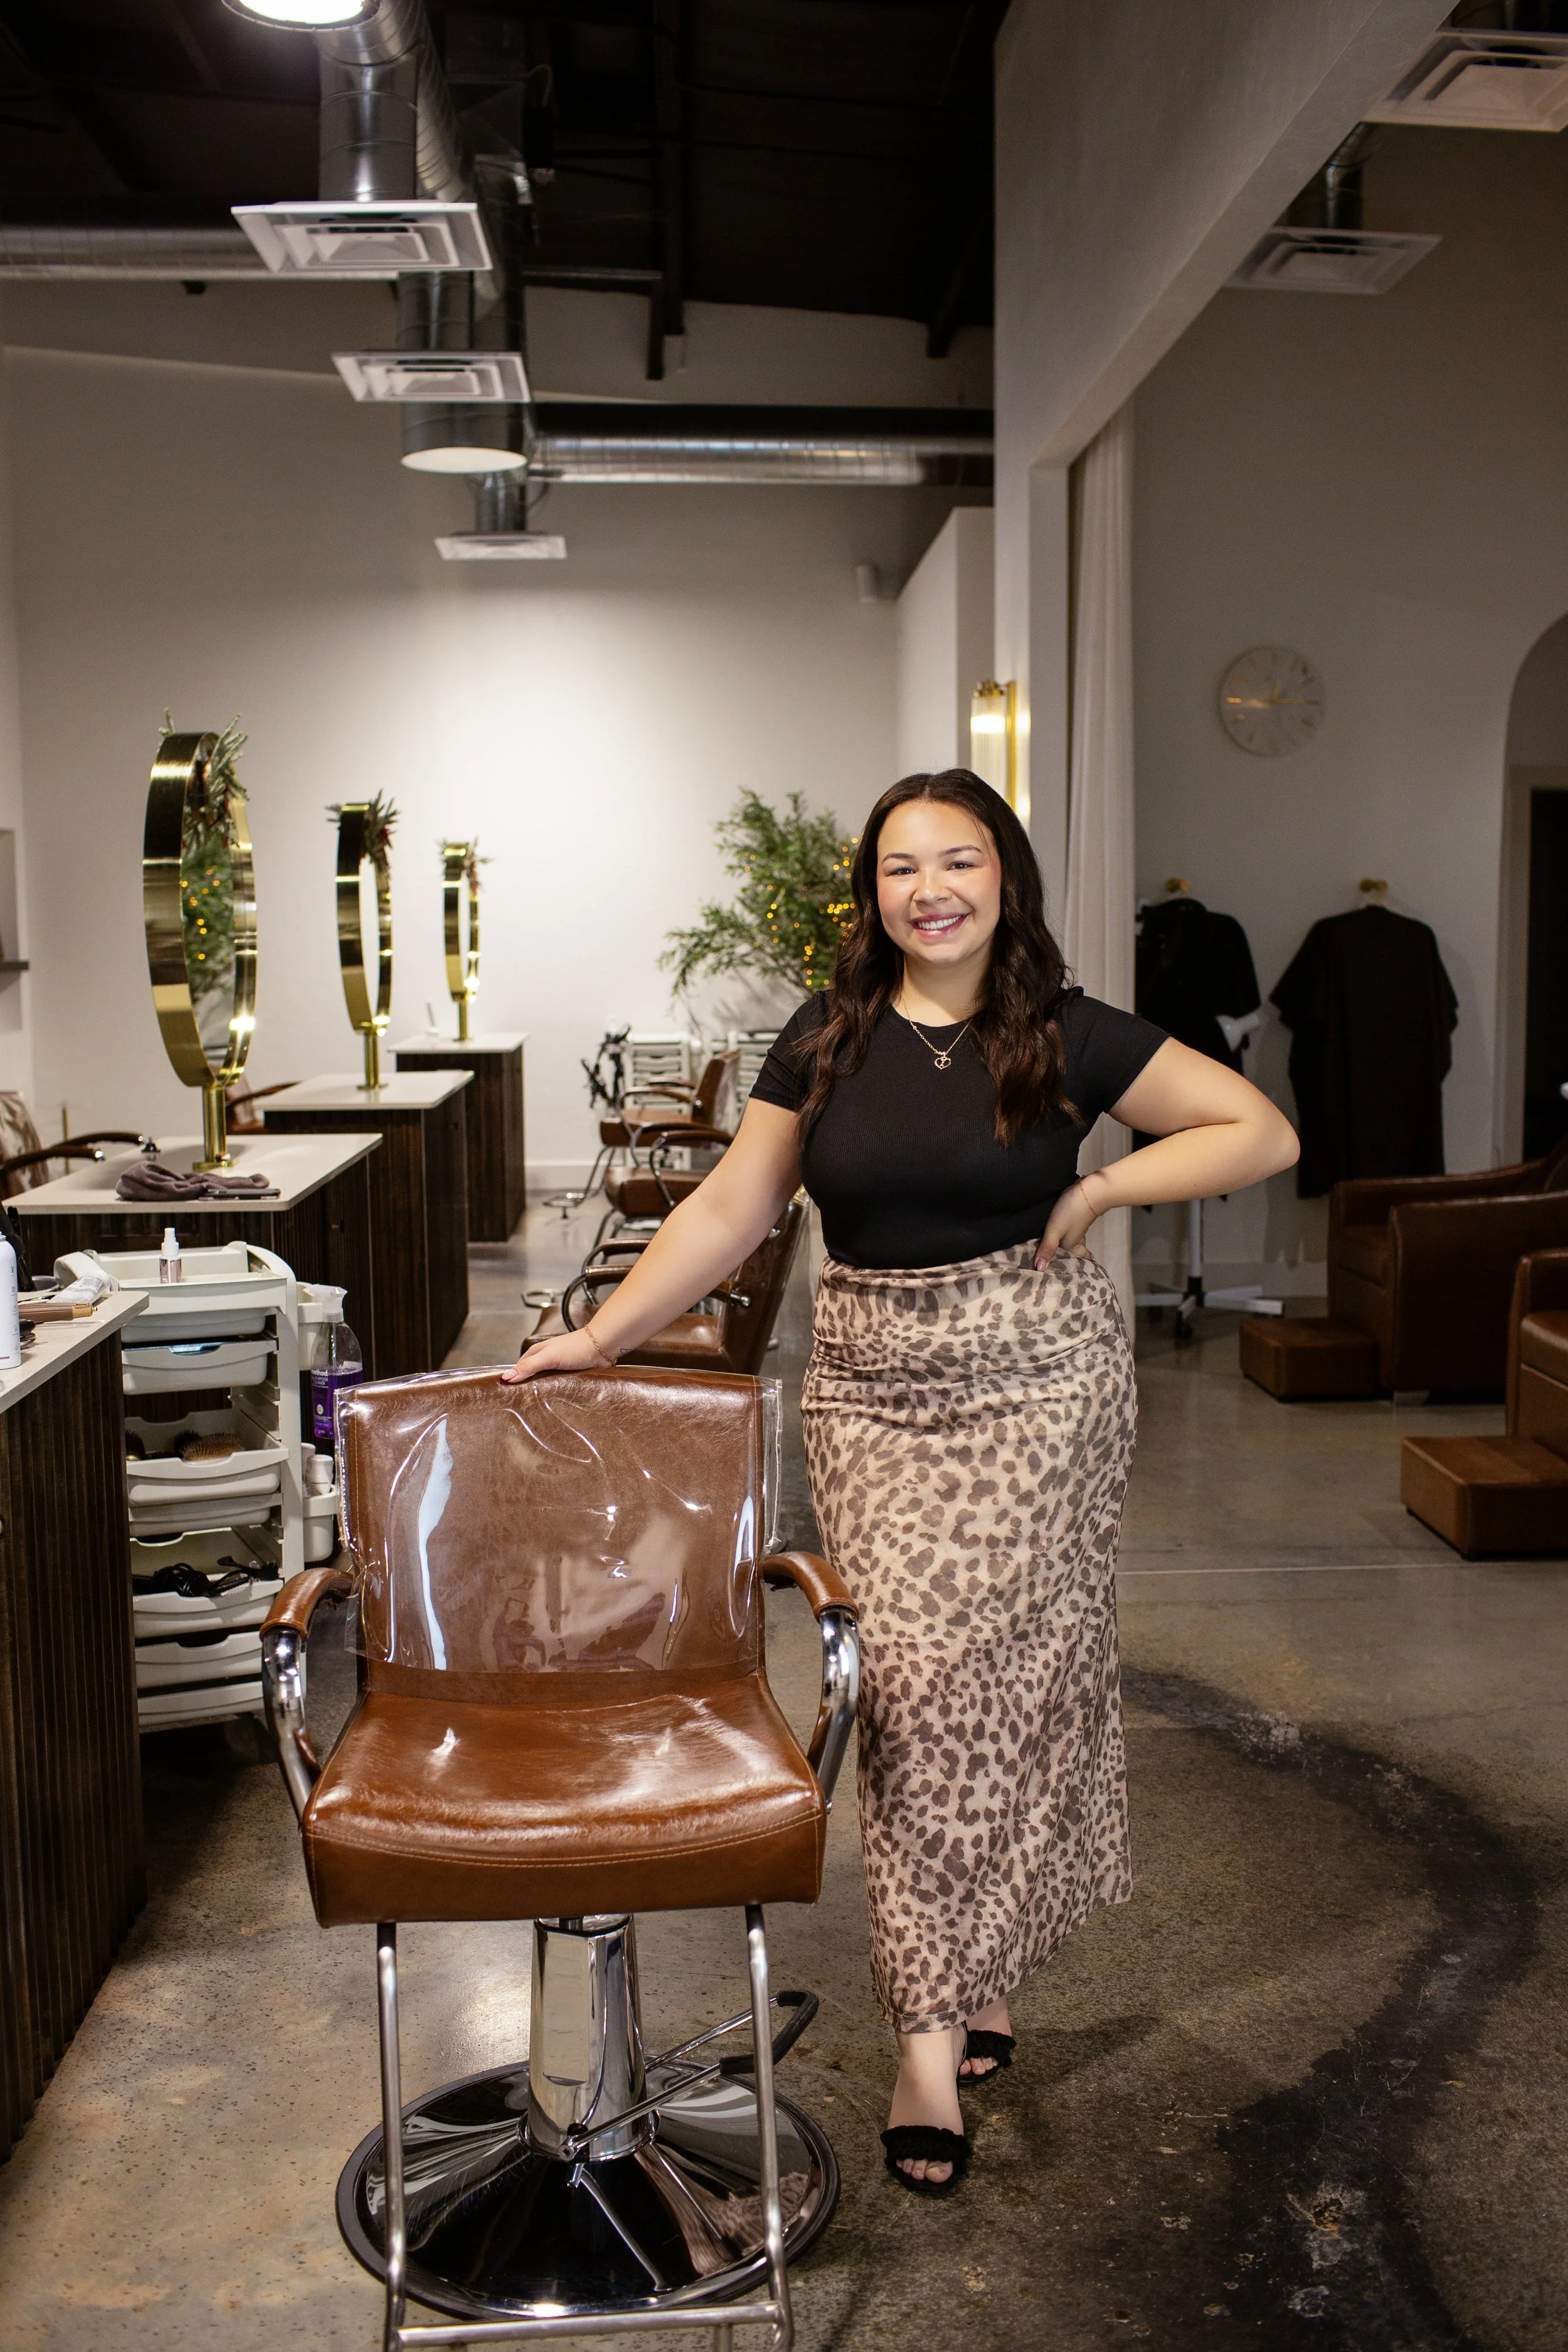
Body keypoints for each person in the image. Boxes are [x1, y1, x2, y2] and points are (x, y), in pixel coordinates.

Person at [504, 770, 1299, 2196]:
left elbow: (1258, 1130)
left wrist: (1105, 1186)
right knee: (920, 1688)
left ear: (1006, 876)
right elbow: (735, 1208)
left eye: (958, 858)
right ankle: (946, 1998)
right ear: (870, 896)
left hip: (1041, 1383)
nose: (929, 886)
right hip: (871, 1392)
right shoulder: (826, 1037)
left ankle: (942, 2017)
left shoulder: (1064, 1031)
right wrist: (598, 1333)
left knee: (1017, 1682)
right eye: (897, 867)